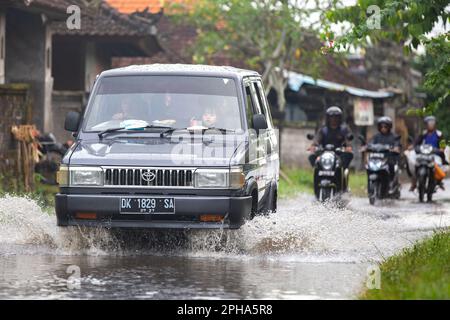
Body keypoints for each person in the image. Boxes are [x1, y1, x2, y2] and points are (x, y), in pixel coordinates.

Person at [410, 115, 447, 191]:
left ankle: (439, 181)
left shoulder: (439, 134)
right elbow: (416, 142)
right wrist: (413, 146)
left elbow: (443, 145)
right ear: (426, 124)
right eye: (429, 123)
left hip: (435, 154)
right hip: (424, 154)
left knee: (439, 168)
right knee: (415, 164)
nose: (430, 125)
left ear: (435, 124)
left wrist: (441, 149)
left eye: (432, 123)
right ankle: (414, 181)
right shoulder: (423, 134)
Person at [366, 116, 401, 185]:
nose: (383, 128)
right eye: (381, 126)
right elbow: (371, 143)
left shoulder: (394, 137)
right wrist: (367, 147)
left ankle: (391, 182)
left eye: (385, 126)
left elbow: (397, 146)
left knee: (391, 165)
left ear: (389, 127)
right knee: (368, 166)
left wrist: (395, 148)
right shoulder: (376, 136)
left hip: (389, 158)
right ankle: (370, 183)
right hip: (377, 158)